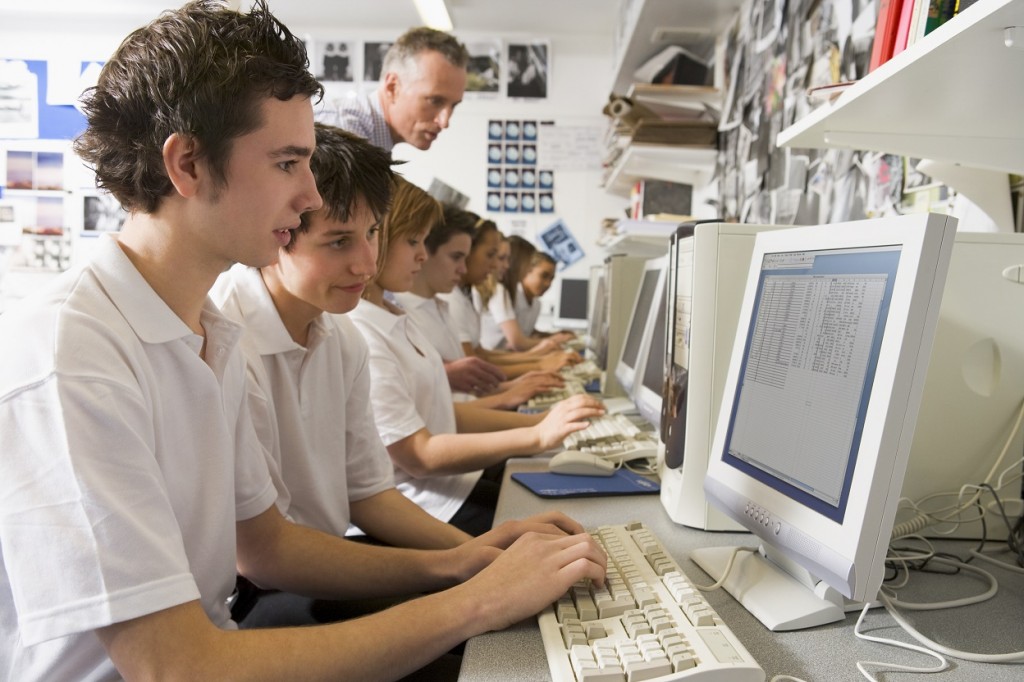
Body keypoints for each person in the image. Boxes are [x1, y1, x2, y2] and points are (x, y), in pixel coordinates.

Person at [0, 3, 606, 679]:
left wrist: (462, 562)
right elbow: (176, 668)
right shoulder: (71, 356)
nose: (309, 193)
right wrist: (474, 603)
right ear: (189, 165)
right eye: (288, 162)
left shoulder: (209, 333)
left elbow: (267, 546)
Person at [348, 177, 605, 534]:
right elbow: (419, 454)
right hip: (425, 503)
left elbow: (438, 416)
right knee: (574, 524)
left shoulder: (395, 316)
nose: (421, 255)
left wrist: (543, 422)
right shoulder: (362, 330)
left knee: (580, 511)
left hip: (447, 486)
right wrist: (537, 433)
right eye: (413, 242)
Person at [395, 210, 562, 409]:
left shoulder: (443, 303)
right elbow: (440, 414)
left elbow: (472, 373)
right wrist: (535, 366)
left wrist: (517, 385)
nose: (500, 266)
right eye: (493, 256)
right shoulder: (421, 308)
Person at [438, 206, 580, 378]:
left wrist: (538, 361)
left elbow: (481, 355)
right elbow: (514, 344)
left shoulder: (467, 296)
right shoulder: (455, 299)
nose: (499, 265)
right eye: (493, 256)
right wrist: (538, 363)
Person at [320, 26, 468, 151]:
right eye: (435, 101)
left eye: (453, 106)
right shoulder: (342, 128)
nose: (444, 122)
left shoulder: (374, 143)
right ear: (393, 87)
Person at [478, 234, 575, 352]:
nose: (548, 283)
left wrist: (552, 336)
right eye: (544, 276)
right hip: (497, 357)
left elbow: (525, 333)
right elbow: (517, 343)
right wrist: (554, 341)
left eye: (552, 279)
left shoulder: (534, 303)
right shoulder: (501, 292)